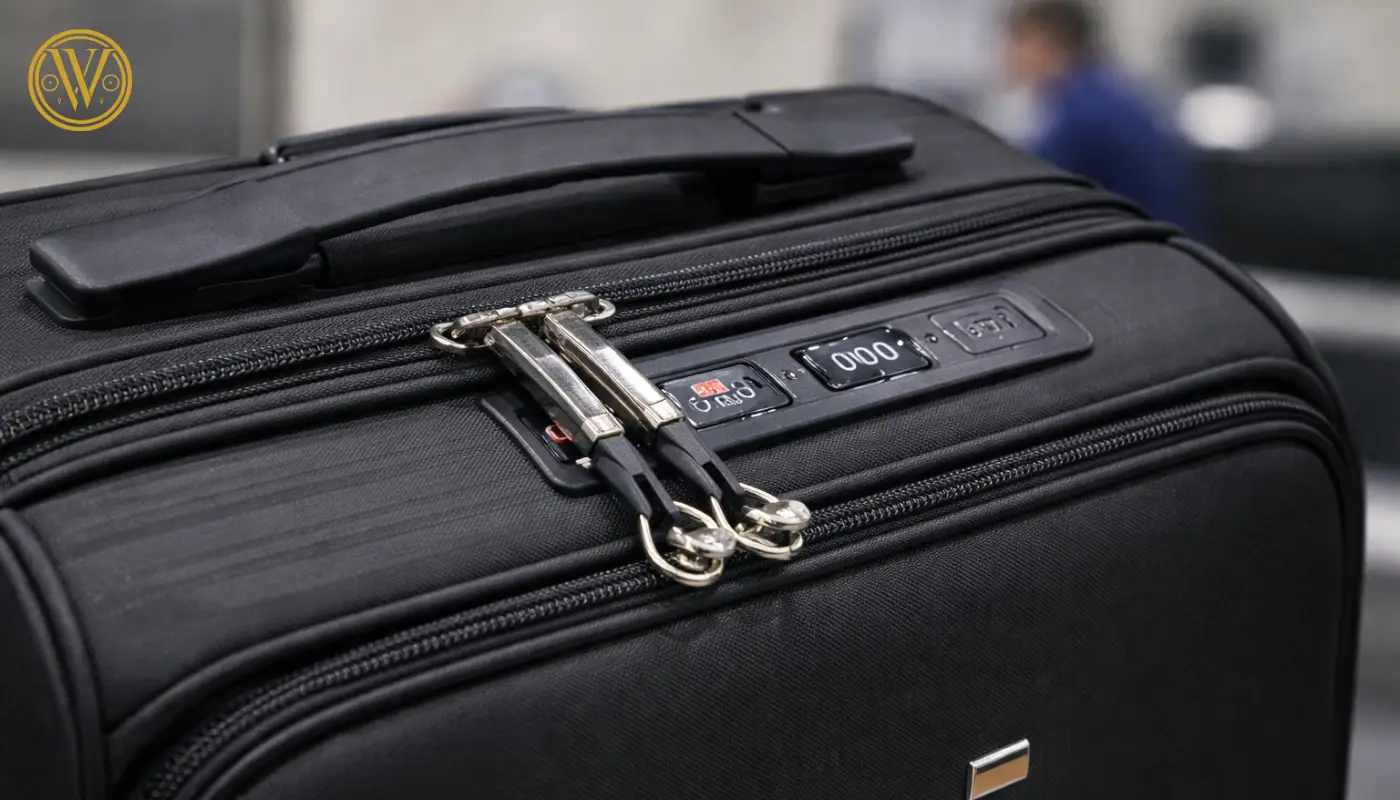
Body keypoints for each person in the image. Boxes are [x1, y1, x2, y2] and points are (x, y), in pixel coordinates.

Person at [1005, 1, 1191, 228]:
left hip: (1133, 239)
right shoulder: (1109, 90)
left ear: (1049, 43)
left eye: (1018, 43)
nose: (1009, 57)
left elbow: (1029, 190)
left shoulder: (1082, 113)